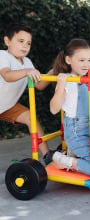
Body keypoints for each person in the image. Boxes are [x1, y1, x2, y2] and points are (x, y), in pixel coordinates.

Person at [50, 38, 90, 180]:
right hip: (76, 134)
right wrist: (60, 85)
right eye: (81, 60)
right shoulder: (67, 79)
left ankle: (76, 154)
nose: (86, 65)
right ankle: (66, 161)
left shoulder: (85, 81)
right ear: (68, 60)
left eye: (89, 60)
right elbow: (54, 109)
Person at [0, 24, 55, 165]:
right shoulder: (3, 56)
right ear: (7, 41)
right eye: (20, 41)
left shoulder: (28, 62)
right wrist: (26, 72)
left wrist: (52, 72)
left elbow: (39, 85)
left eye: (28, 43)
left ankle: (47, 154)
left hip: (8, 106)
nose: (25, 46)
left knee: (31, 118)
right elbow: (6, 75)